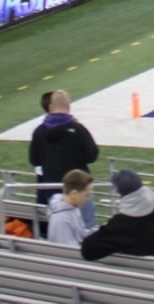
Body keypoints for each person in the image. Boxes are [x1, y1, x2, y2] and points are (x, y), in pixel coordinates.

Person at [29, 90, 100, 229]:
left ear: (50, 107)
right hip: (78, 188)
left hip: (52, 190)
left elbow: (34, 160)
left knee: (59, 227)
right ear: (68, 106)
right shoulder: (78, 129)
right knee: (87, 227)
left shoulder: (39, 132)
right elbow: (92, 155)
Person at [46, 170, 98, 248]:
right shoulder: (61, 220)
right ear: (74, 194)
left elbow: (81, 234)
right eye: (87, 195)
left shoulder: (74, 208)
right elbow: (69, 253)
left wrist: (101, 231)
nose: (88, 199)